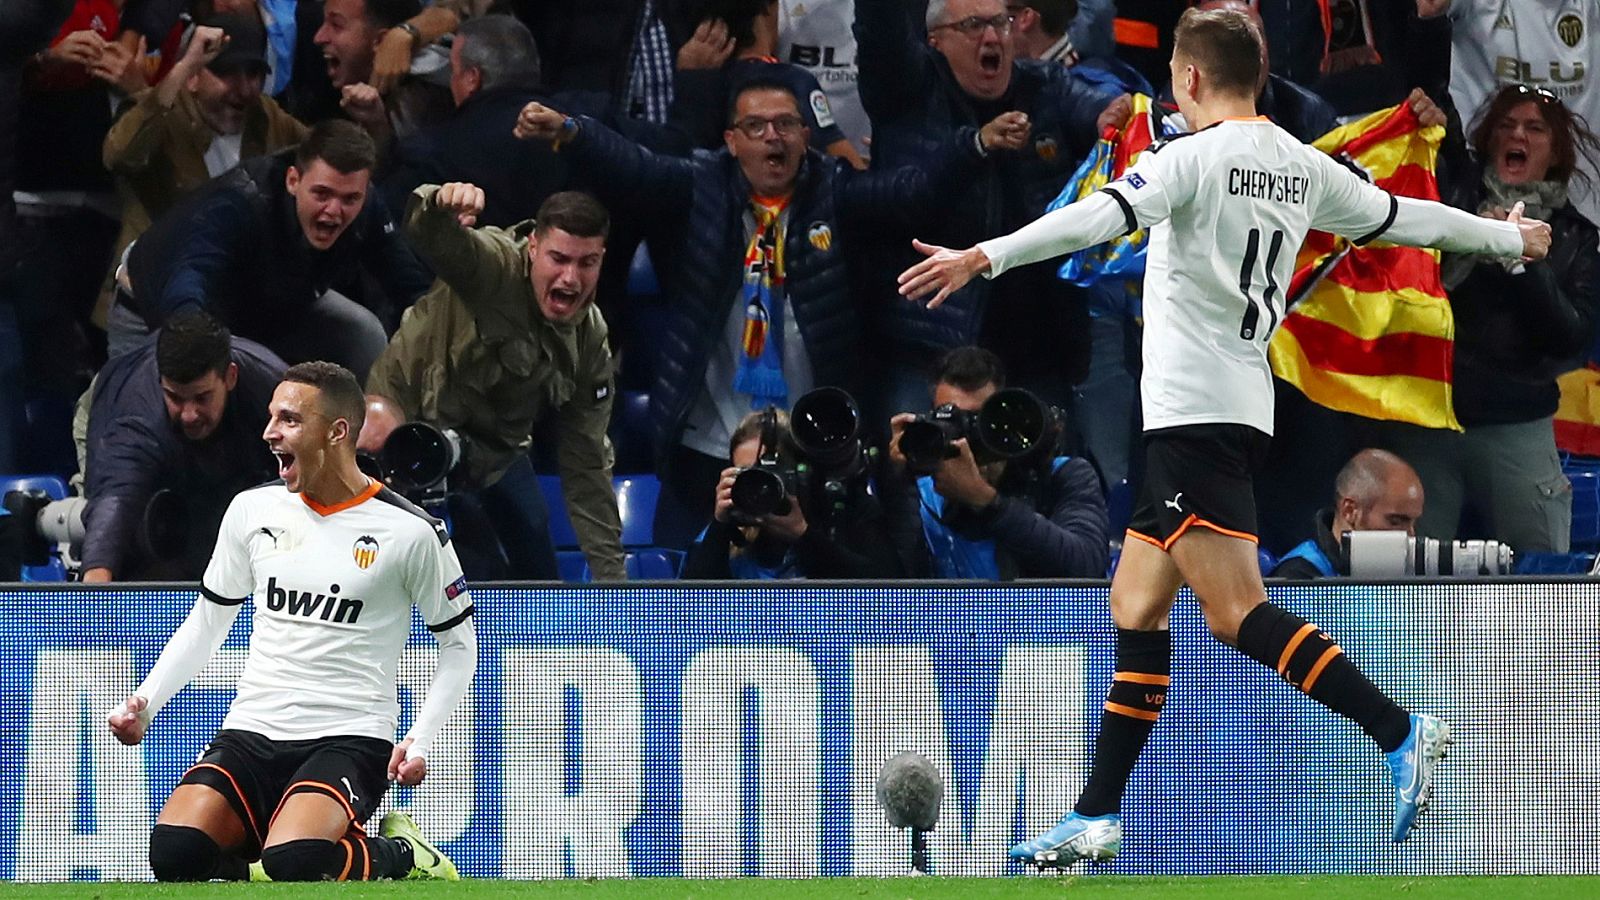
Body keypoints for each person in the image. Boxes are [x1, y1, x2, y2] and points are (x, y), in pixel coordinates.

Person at [896, 7, 1551, 864]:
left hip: (1195, 418)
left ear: (1192, 78)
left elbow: (1097, 219)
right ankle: (1095, 813)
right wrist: (1506, 236)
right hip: (1237, 409)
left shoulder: (1188, 159)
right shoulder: (1300, 163)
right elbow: (1408, 219)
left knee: (1236, 612)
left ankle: (1400, 730)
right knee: (1134, 604)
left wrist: (982, 254)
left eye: (1172, 72)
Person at [514, 77, 997, 549]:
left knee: (826, 596)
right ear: (731, 141)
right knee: (683, 603)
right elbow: (636, 168)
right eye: (756, 126)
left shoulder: (836, 192)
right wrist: (574, 133)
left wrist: (972, 146)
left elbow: (910, 193)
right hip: (707, 444)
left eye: (786, 124)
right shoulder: (701, 186)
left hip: (813, 442)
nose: (773, 136)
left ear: (807, 137)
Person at [106, 361, 472, 882]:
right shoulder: (251, 511)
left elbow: (459, 647)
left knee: (297, 863)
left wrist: (419, 740)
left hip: (350, 736)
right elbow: (209, 620)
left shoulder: (412, 532)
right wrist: (145, 702)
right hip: (253, 727)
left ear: (337, 431)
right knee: (174, 855)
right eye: (271, 417)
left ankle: (405, 855)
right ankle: (269, 850)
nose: (269, 432)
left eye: (289, 420)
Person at [854, 0, 1128, 420]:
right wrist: (975, 146)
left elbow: (1092, 106)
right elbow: (880, 31)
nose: (992, 36)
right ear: (935, 41)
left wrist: (1109, 114)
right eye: (973, 25)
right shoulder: (908, 87)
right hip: (929, 352)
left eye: (1000, 22)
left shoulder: (1044, 83)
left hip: (1038, 348)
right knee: (918, 477)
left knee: (1046, 475)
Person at [1369, 76, 1600, 554]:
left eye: (1535, 130)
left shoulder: (1580, 236)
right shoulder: (1452, 195)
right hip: (1425, 422)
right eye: (1508, 126)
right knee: (1400, 586)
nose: (1518, 136)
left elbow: (1570, 337)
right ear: (1488, 141)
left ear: (1555, 152)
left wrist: (1516, 260)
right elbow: (1429, 88)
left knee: (1543, 591)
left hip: (1515, 427)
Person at [365, 187, 625, 581]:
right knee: (435, 568)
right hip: (402, 432)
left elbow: (586, 461)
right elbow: (429, 233)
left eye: (587, 262)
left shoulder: (589, 341)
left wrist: (616, 589)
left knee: (539, 569)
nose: (571, 278)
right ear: (533, 246)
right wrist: (439, 201)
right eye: (559, 258)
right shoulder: (492, 266)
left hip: (491, 455)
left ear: (602, 259)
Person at [115, 118, 432, 379]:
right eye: (322, 194)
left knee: (364, 334)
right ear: (293, 180)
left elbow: (409, 285)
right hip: (156, 308)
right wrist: (194, 349)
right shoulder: (239, 203)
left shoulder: (366, 205)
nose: (335, 210)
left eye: (350, 199)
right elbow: (189, 278)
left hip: (275, 301)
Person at [102, 14, 308, 293]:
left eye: (253, 73)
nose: (245, 88)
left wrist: (375, 123)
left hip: (237, 292)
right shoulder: (158, 113)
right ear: (193, 78)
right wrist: (183, 66)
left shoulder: (266, 116)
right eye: (227, 73)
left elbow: (327, 158)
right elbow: (119, 156)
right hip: (149, 290)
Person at [80, 308, 285, 583]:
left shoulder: (275, 392)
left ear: (230, 377)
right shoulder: (135, 417)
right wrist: (95, 581)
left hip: (233, 456)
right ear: (161, 380)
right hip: (113, 411)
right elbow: (115, 501)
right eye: (175, 397)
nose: (189, 414)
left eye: (202, 398)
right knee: (138, 542)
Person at [881, 346, 1109, 579]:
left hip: (1041, 614)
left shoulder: (1063, 475)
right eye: (953, 419)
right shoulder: (925, 491)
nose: (966, 435)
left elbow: (1086, 565)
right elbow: (900, 589)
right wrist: (899, 483)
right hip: (950, 615)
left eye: (979, 420)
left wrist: (985, 501)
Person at [682, 405, 902, 579]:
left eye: (770, 473)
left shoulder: (843, 510)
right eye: (746, 474)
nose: (759, 485)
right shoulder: (729, 532)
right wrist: (719, 526)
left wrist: (803, 535)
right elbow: (690, 614)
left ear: (802, 471)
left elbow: (885, 597)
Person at [1271, 449, 1426, 579]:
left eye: (1413, 523)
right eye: (1396, 521)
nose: (1410, 536)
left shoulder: (1407, 571)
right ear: (1350, 511)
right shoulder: (1298, 576)